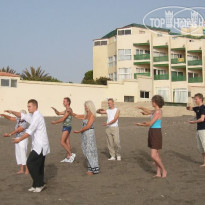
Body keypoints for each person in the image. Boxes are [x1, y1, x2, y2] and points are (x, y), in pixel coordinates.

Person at [6, 99, 50, 193]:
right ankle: (37, 184)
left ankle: (39, 184)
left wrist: (19, 139)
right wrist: (12, 111)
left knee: (30, 163)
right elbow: (23, 115)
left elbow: (29, 131)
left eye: (29, 106)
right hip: (37, 145)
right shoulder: (32, 116)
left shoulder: (37, 117)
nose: (28, 108)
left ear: (35, 107)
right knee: (39, 165)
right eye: (28, 106)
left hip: (41, 145)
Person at [136, 95, 167, 178]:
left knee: (153, 155)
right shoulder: (156, 111)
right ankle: (158, 172)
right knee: (156, 155)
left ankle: (163, 170)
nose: (151, 102)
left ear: (156, 102)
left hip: (156, 132)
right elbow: (149, 111)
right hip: (152, 131)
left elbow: (150, 123)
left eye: (152, 101)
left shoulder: (158, 112)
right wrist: (142, 107)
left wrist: (141, 124)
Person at [72, 101, 99, 175]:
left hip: (89, 134)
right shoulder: (86, 115)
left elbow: (88, 126)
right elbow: (77, 116)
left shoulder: (92, 115)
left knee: (90, 151)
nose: (85, 107)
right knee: (86, 150)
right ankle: (90, 167)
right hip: (84, 134)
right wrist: (71, 112)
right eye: (85, 106)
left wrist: (79, 131)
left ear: (90, 106)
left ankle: (93, 168)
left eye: (86, 106)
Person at [1, 110, 29, 175]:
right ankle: (22, 169)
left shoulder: (26, 122)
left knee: (23, 154)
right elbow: (11, 118)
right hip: (17, 138)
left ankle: (27, 170)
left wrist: (9, 134)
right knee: (18, 154)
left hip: (23, 139)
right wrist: (4, 115)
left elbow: (18, 130)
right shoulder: (18, 119)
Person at [51, 97, 76, 163]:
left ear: (68, 102)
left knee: (62, 142)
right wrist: (55, 110)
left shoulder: (68, 110)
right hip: (66, 127)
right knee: (67, 142)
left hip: (67, 127)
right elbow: (58, 113)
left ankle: (71, 154)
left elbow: (63, 118)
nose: (63, 102)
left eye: (64, 101)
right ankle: (68, 157)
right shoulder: (66, 110)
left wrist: (55, 122)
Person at [187, 93, 205, 167]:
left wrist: (193, 122)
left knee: (204, 146)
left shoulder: (203, 108)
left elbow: (202, 119)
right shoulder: (197, 108)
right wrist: (187, 107)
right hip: (198, 129)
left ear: (200, 99)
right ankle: (204, 162)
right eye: (194, 99)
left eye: (196, 99)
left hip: (203, 129)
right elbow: (191, 108)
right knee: (200, 147)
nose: (195, 100)